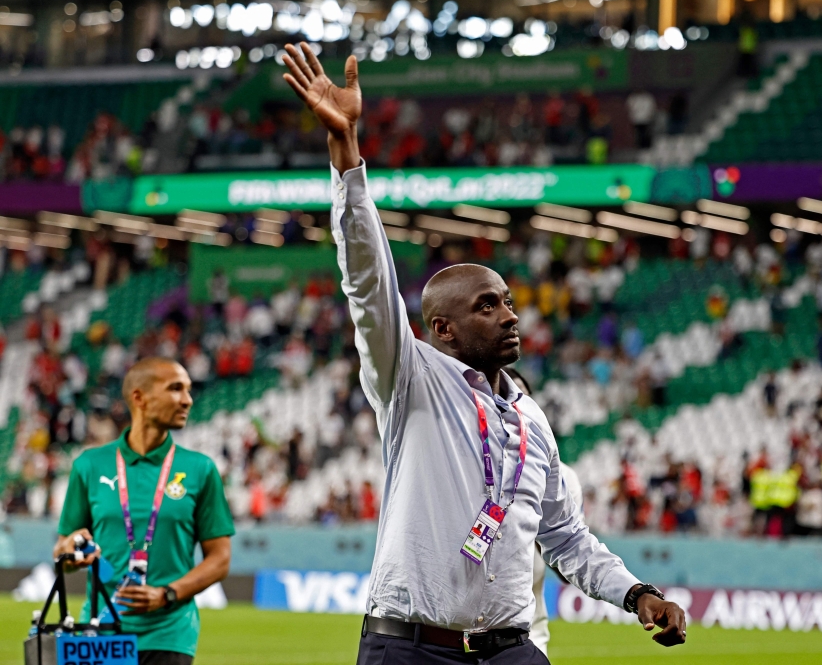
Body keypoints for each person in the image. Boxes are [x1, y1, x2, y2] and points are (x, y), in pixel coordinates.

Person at [280, 43, 686, 665]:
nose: (510, 315)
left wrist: (636, 594)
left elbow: (564, 536)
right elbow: (368, 284)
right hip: (412, 647)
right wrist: (348, 155)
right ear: (440, 328)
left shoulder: (533, 421)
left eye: (508, 301)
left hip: (509, 649)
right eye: (487, 306)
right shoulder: (411, 377)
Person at [54, 358, 235, 665]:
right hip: (99, 634)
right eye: (175, 389)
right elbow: (62, 550)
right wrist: (71, 550)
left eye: (189, 390)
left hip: (170, 634)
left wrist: (167, 593)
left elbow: (220, 559)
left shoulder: (200, 470)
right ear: (139, 398)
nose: (187, 400)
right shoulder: (89, 465)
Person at [505, 367, 582, 658]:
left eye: (519, 398)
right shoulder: (468, 468)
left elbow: (570, 565)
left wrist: (540, 529)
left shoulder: (563, 479)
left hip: (529, 640)